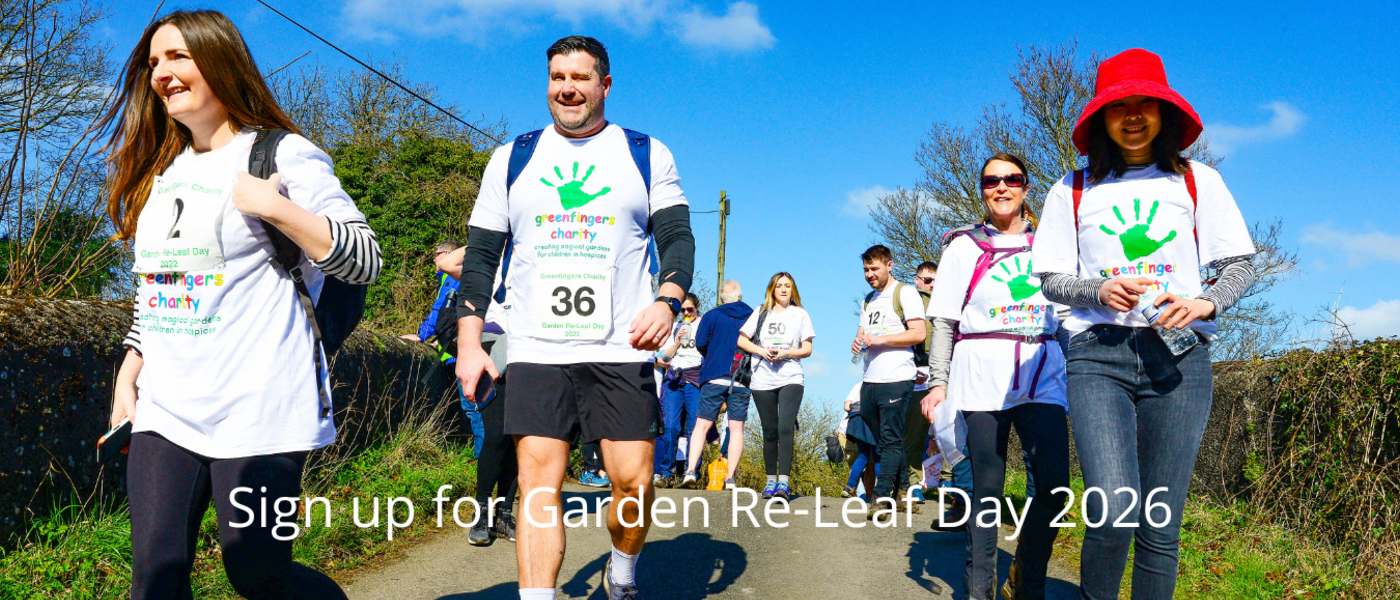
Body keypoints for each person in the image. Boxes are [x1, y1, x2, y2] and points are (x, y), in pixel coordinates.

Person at [103, 10, 381, 599]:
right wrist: (128, 374)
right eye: (154, 63)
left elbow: (364, 259)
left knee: (257, 573)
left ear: (220, 60)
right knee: (155, 578)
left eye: (178, 57)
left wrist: (278, 208)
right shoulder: (161, 171)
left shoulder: (282, 154)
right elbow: (159, 289)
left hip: (260, 406)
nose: (162, 73)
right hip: (166, 408)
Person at [452, 36, 695, 600]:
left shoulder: (646, 153)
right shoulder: (512, 157)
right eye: (557, 77)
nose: (567, 88)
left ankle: (623, 569)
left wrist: (667, 300)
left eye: (580, 77)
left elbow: (677, 236)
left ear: (604, 85)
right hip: (537, 345)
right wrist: (469, 343)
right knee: (538, 483)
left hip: (621, 345)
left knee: (633, 483)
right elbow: (482, 257)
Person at [1031, 48, 1256, 600]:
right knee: (1113, 510)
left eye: (1145, 104)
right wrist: (1097, 290)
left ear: (1164, 112)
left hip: (1179, 357)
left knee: (1160, 522)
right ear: (1101, 118)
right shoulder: (1072, 188)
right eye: (1119, 106)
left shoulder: (1197, 180)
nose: (1133, 115)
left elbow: (1239, 265)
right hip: (1097, 355)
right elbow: (1051, 279)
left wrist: (1205, 303)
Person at [924, 153, 1071, 600]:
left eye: (1012, 179)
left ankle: (1025, 580)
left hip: (1041, 369)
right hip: (980, 372)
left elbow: (1069, 317)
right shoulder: (962, 247)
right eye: (992, 181)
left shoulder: (1054, 244)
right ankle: (978, 589)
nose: (1002, 187)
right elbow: (944, 321)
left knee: (1054, 487)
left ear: (1026, 187)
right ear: (983, 190)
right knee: (986, 488)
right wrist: (938, 381)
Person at [852, 245, 928, 514]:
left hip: (897, 376)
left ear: (889, 265)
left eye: (874, 269)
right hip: (870, 378)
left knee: (891, 439)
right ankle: (905, 490)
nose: (869, 274)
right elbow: (863, 333)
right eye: (866, 270)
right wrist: (858, 341)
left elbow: (918, 333)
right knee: (883, 440)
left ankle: (882, 496)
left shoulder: (905, 293)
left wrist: (881, 340)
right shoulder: (868, 300)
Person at [736, 272, 815, 499]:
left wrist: (786, 353)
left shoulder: (800, 314)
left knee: (785, 427)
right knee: (769, 430)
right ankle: (770, 480)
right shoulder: (761, 311)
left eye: (787, 286)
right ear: (772, 289)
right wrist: (762, 351)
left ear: (793, 290)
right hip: (762, 378)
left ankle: (784, 482)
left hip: (791, 377)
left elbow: (807, 349)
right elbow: (742, 340)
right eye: (779, 286)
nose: (783, 289)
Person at [403, 240, 485, 457]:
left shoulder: (454, 277)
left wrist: (421, 335)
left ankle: (483, 460)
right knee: (472, 405)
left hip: (463, 349)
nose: (434, 258)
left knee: (474, 406)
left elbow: (441, 310)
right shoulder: (454, 277)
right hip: (457, 347)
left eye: (437, 253)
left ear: (449, 254)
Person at [681, 280, 753, 490]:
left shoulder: (712, 315)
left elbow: (701, 343)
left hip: (714, 375)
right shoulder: (753, 315)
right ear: (740, 296)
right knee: (736, 429)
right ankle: (730, 478)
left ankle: (690, 471)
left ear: (721, 299)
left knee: (701, 425)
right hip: (741, 377)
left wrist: (713, 355)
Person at [653, 293, 704, 487]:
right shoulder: (675, 326)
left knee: (694, 428)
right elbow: (662, 358)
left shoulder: (704, 325)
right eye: (683, 310)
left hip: (695, 380)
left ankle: (691, 472)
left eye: (690, 309)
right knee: (670, 427)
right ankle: (666, 471)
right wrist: (676, 341)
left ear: (697, 307)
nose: (687, 313)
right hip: (674, 379)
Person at [901, 261, 938, 503]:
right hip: (917, 369)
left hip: (944, 369)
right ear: (917, 280)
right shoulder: (909, 301)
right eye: (927, 280)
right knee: (914, 431)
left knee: (948, 429)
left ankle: (952, 484)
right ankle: (912, 483)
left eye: (935, 281)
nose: (932, 285)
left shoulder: (949, 300)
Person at [839, 382, 877, 500]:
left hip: (856, 420)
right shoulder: (885, 385)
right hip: (872, 418)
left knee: (863, 455)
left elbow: (847, 406)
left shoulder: (859, 385)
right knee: (878, 456)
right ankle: (882, 492)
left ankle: (849, 487)